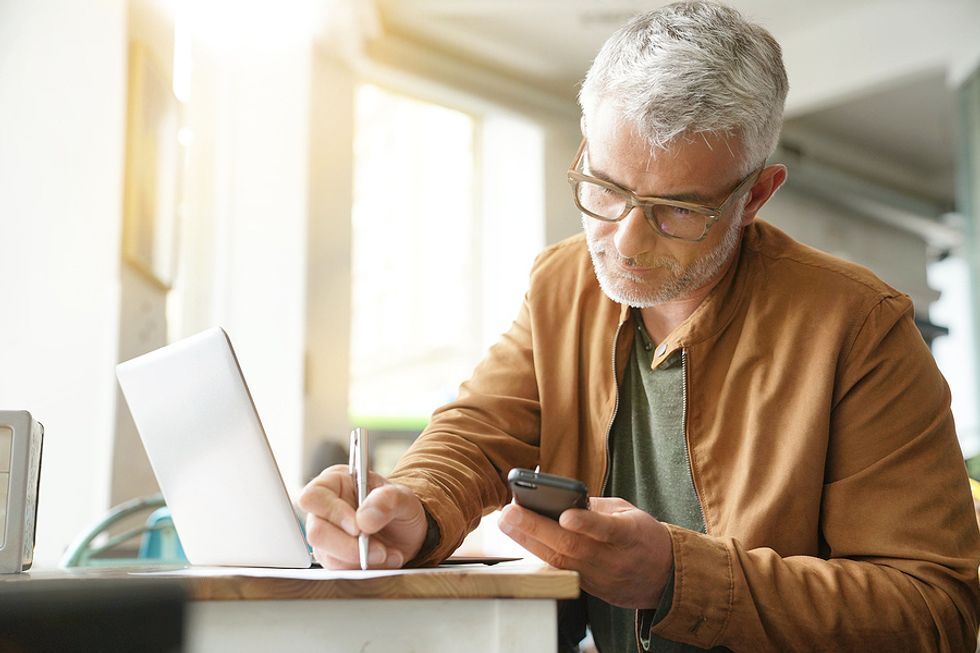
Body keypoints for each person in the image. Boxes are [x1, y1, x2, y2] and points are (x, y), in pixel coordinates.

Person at [299, 2, 980, 650]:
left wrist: (679, 576)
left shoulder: (861, 328)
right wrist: (412, 507)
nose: (623, 241)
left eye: (676, 210)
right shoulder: (561, 284)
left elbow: (934, 610)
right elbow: (477, 431)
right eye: (604, 187)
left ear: (755, 196)